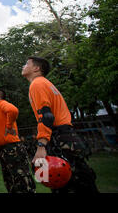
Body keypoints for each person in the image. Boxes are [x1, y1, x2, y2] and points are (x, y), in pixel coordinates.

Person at [22, 56, 98, 193]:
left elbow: (46, 115)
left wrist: (41, 145)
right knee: (81, 179)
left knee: (65, 183)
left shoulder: (37, 84)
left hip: (59, 138)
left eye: (26, 64)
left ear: (36, 68)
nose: (23, 66)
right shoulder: (46, 84)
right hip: (66, 135)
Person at [0, 88, 36, 193]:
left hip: (12, 148)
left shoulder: (1, 103)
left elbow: (13, 110)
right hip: (3, 149)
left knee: (21, 179)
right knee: (10, 181)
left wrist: (9, 126)